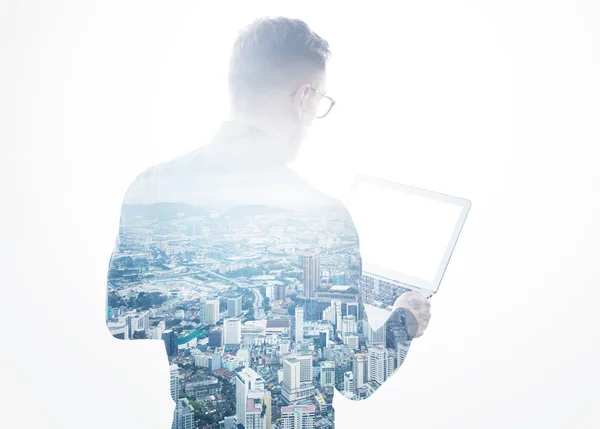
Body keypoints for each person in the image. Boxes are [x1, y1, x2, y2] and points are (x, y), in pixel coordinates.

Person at [105, 16, 431, 429]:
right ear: (303, 97)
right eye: (320, 104)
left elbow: (121, 321)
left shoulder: (152, 187)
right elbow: (356, 377)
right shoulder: (322, 219)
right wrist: (406, 318)